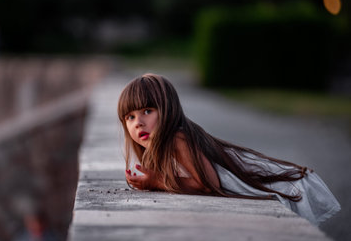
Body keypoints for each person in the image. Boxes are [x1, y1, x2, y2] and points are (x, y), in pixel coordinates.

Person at [118, 73, 341, 225]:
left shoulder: (178, 138)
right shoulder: (162, 148)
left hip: (278, 184)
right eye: (130, 117)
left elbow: (208, 184)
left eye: (147, 111)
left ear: (167, 108)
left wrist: (157, 181)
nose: (138, 122)